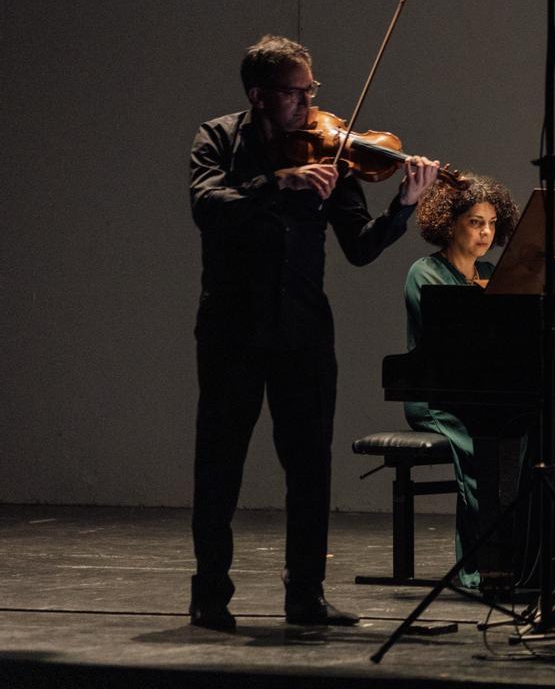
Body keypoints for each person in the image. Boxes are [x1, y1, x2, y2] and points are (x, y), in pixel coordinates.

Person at [188, 34, 439, 631]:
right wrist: (279, 182)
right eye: (296, 93)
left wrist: (404, 206)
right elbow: (206, 205)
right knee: (218, 465)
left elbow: (359, 248)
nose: (309, 104)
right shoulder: (218, 139)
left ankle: (305, 595)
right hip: (232, 330)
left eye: (311, 91)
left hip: (303, 333)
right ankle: (209, 596)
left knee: (309, 468)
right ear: (260, 95)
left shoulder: (332, 152)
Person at [404, 176, 555, 588]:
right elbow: (450, 347)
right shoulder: (425, 273)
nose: (486, 232)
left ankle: (547, 560)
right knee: (489, 450)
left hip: (491, 390)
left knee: (543, 431)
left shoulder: (493, 272)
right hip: (440, 397)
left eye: (491, 223)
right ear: (449, 223)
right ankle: (487, 563)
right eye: (475, 222)